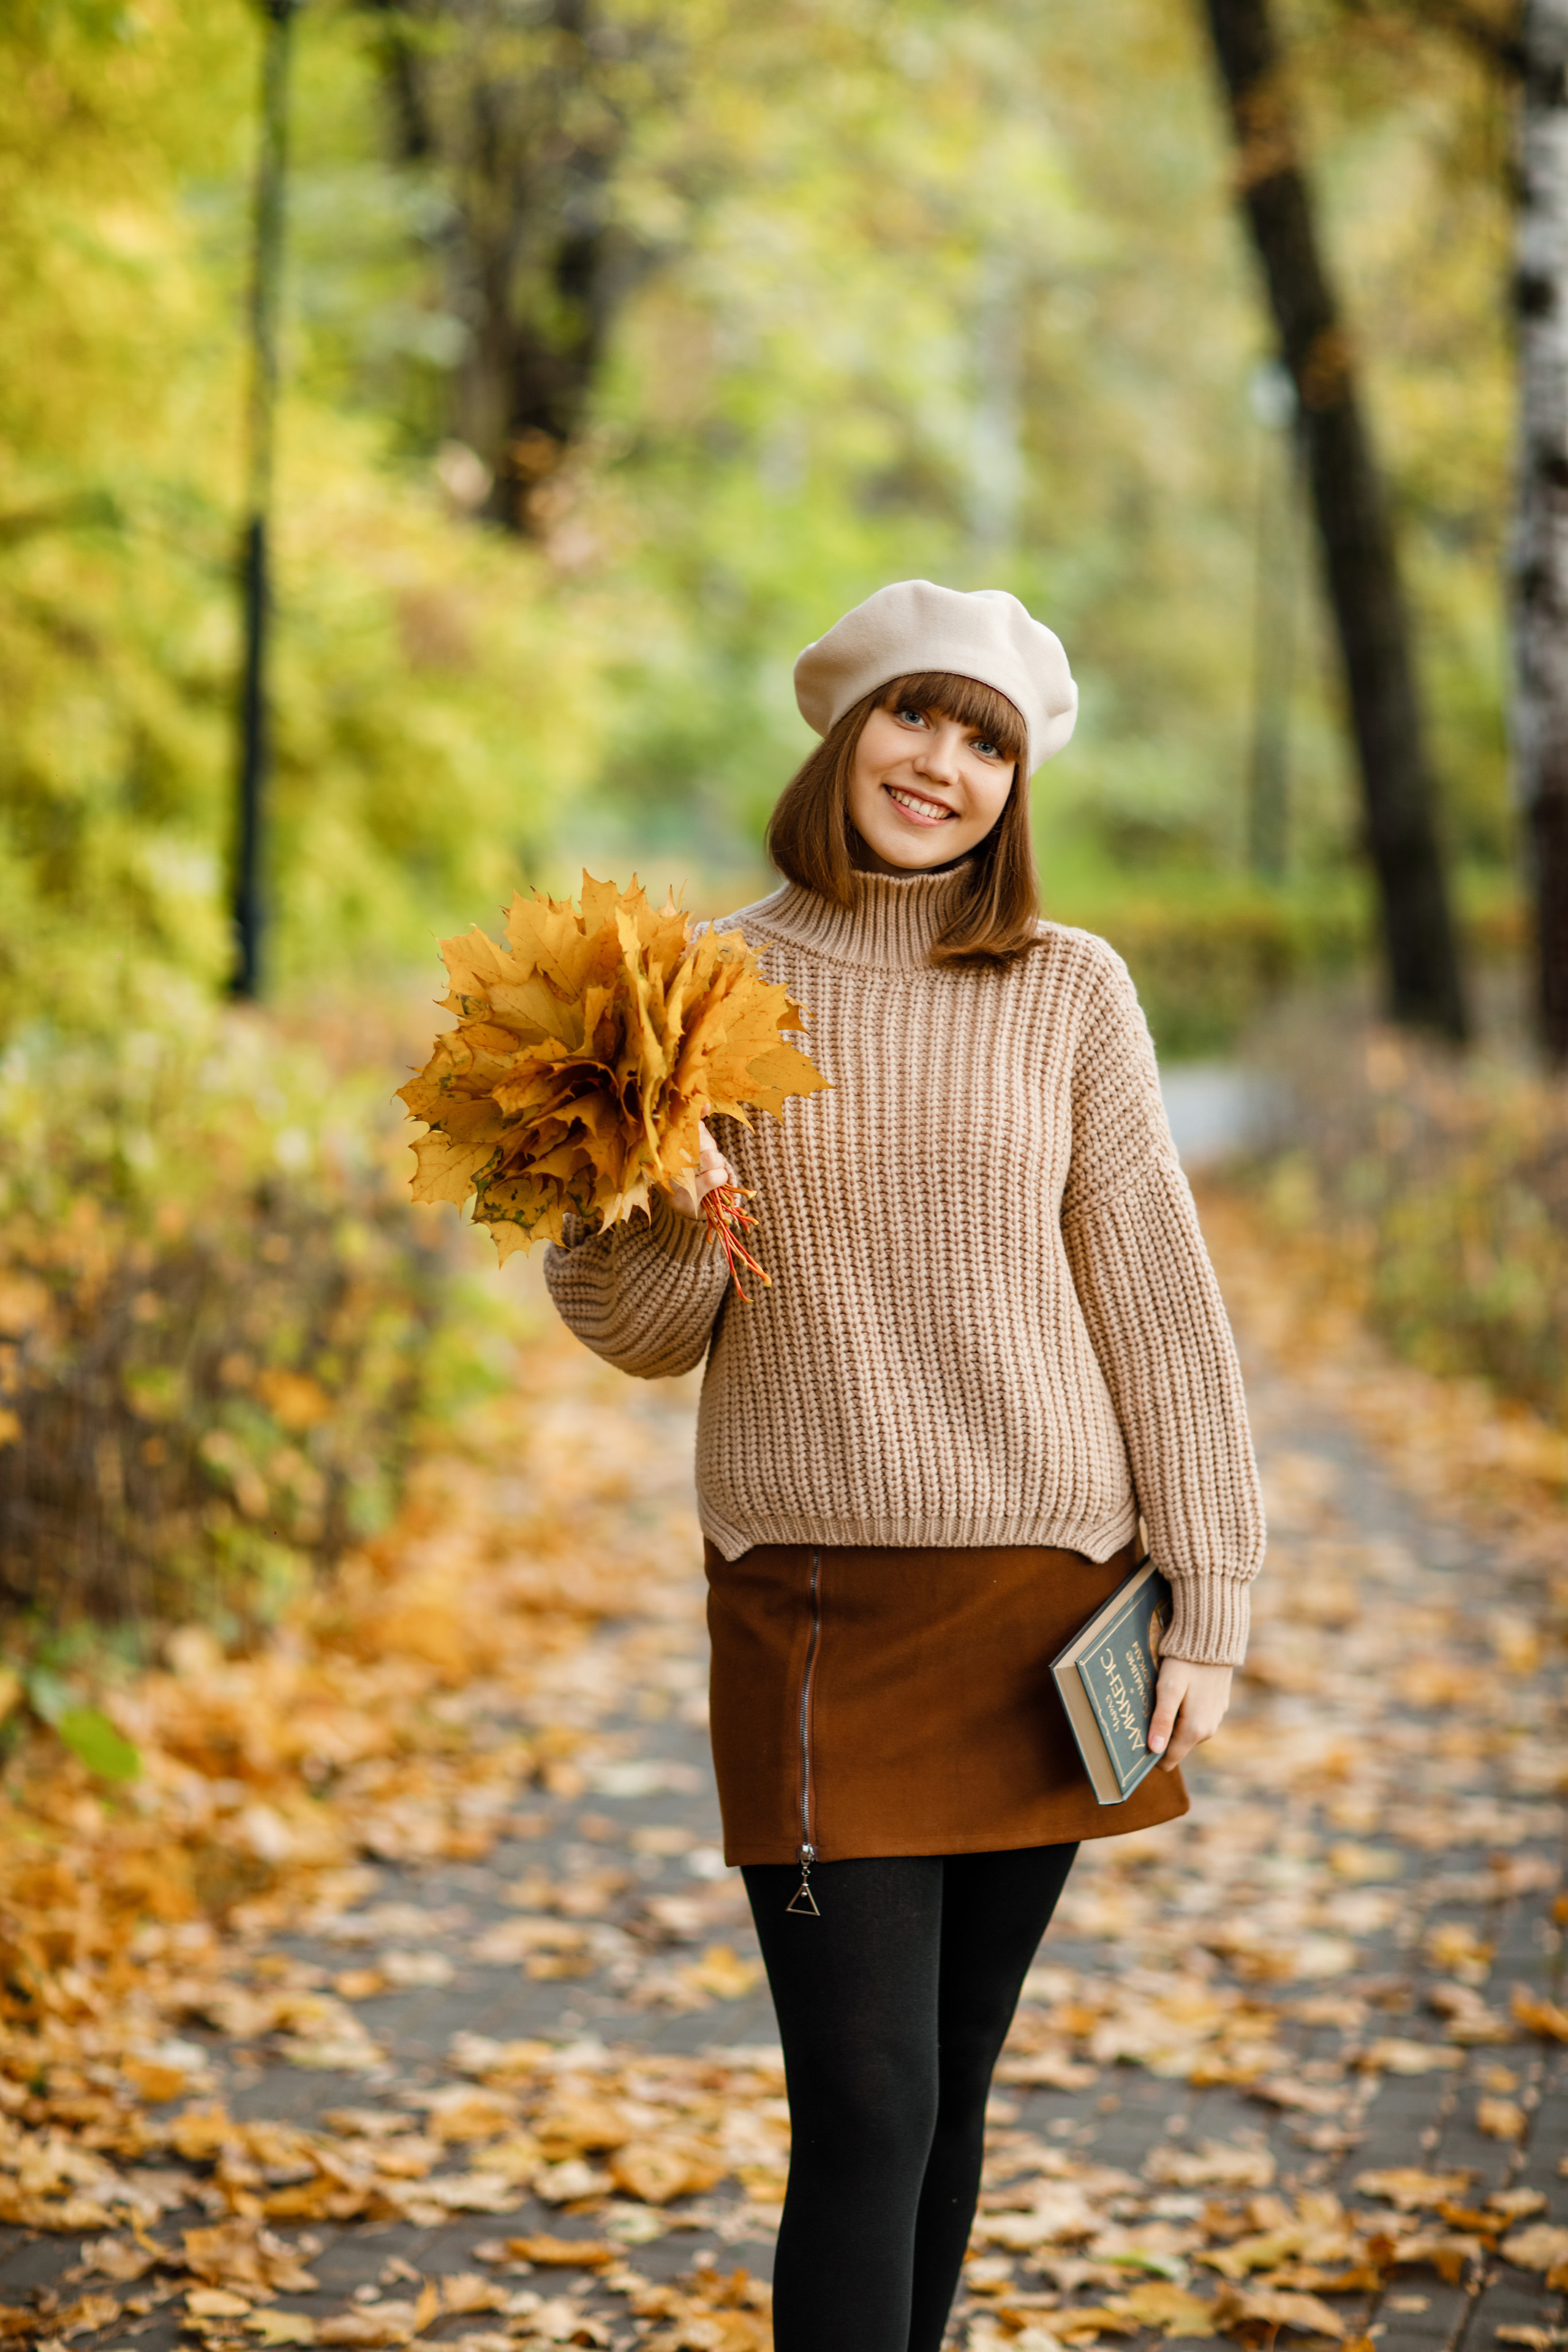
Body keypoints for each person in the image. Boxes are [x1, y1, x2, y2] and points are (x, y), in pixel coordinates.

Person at [545, 580, 1265, 2352]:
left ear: (1018, 783)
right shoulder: (697, 985)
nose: (942, 764)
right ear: (844, 732)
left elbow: (1158, 1298)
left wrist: (1213, 1595)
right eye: (914, 716)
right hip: (814, 1612)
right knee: (865, 2107)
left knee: (949, 2085)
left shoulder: (1070, 988)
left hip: (1049, 1610)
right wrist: (673, 1196)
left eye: (986, 742)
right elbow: (645, 1333)